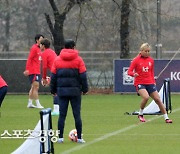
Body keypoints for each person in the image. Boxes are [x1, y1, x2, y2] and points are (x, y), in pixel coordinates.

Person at [50, 39, 88, 143]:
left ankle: (60, 138)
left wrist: (53, 90)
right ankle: (79, 138)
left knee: (62, 115)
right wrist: (85, 89)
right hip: (75, 91)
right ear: (73, 47)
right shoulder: (79, 60)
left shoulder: (57, 60)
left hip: (61, 92)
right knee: (77, 115)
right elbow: (83, 76)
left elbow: (53, 76)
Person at [128, 43, 172, 123]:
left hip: (150, 83)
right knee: (146, 97)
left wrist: (153, 81)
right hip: (140, 82)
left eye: (149, 51)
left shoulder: (151, 60)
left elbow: (151, 73)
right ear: (141, 51)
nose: (147, 53)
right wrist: (133, 74)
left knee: (158, 99)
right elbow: (129, 71)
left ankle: (166, 118)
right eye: (146, 51)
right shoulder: (136, 60)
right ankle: (140, 114)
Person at [23, 34, 44, 109]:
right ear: (37, 40)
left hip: (37, 70)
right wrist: (27, 69)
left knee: (33, 87)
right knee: (36, 87)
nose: (42, 40)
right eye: (41, 39)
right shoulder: (34, 48)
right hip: (33, 71)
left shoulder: (40, 49)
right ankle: (38, 103)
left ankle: (30, 103)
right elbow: (30, 59)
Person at [40, 38, 59, 116]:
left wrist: (44, 78)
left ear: (43, 46)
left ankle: (56, 110)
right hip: (59, 71)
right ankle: (58, 108)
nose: (39, 46)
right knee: (58, 91)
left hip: (55, 72)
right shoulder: (52, 52)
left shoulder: (44, 53)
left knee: (55, 91)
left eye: (40, 45)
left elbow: (44, 67)